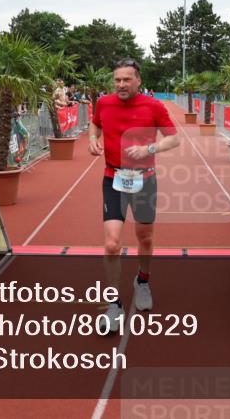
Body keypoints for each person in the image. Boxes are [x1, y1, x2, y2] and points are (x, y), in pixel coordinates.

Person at [88, 58, 180, 332]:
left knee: (145, 237)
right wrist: (93, 139)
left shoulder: (153, 106)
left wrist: (149, 151)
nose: (121, 84)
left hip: (144, 180)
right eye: (117, 80)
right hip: (113, 177)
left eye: (127, 79)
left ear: (138, 80)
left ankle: (142, 281)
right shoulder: (104, 103)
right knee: (112, 244)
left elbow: (173, 138)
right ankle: (114, 303)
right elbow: (95, 125)